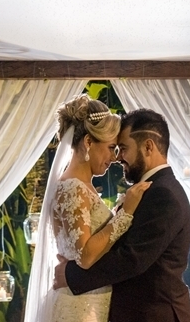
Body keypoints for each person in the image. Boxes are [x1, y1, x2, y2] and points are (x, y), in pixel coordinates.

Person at [54, 108, 190, 322]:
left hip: (155, 315)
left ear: (148, 147)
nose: (118, 158)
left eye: (122, 148)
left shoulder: (163, 194)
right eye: (114, 148)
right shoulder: (152, 189)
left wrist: (71, 275)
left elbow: (132, 259)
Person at [25, 96, 150, 322]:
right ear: (88, 143)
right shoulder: (73, 188)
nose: (114, 158)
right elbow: (85, 256)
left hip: (89, 300)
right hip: (81, 307)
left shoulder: (81, 186)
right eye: (111, 148)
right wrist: (125, 214)